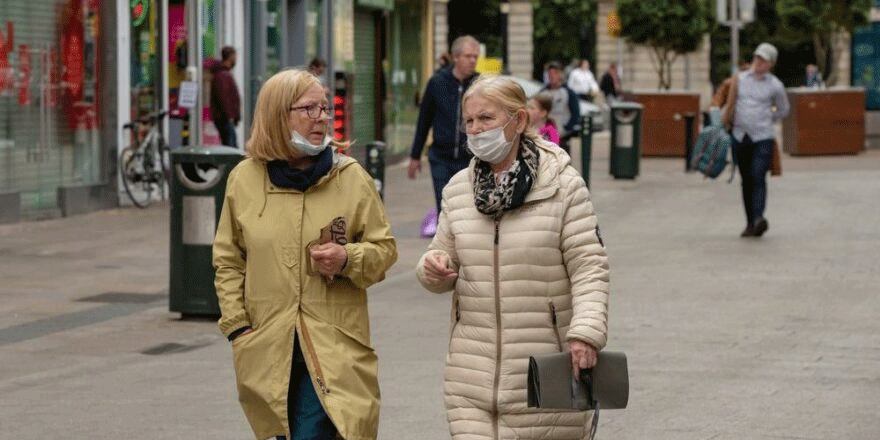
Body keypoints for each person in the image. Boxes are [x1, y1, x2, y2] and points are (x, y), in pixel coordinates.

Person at [415, 76, 610, 440]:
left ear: (519, 121)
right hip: (471, 380)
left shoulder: (563, 186)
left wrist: (585, 333)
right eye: (469, 121)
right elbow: (439, 256)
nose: (475, 130)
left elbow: (589, 267)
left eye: (486, 119)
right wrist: (434, 269)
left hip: (544, 377)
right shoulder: (458, 189)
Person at [213, 68, 398, 440]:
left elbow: (384, 250)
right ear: (278, 115)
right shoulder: (244, 179)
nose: (322, 119)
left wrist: (348, 259)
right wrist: (237, 326)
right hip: (266, 342)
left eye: (324, 109)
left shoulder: (351, 177)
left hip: (334, 343)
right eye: (309, 109)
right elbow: (229, 258)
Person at [719, 42, 790, 238]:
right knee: (746, 180)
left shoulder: (775, 85)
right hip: (740, 136)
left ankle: (759, 217)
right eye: (757, 58)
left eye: (764, 60)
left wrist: (769, 119)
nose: (759, 62)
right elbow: (724, 99)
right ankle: (750, 223)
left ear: (771, 64)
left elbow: (784, 109)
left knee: (758, 176)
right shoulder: (739, 80)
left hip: (762, 138)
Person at [409, 35, 480, 223]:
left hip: (471, 157)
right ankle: (445, 248)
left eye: (475, 57)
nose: (473, 60)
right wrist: (415, 156)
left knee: (468, 207)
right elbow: (424, 120)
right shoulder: (437, 83)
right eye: (468, 56)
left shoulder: (480, 86)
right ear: (456, 57)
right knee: (445, 205)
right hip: (441, 157)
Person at [540, 61, 580, 153]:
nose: (552, 76)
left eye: (555, 73)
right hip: (545, 136)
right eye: (550, 73)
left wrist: (566, 128)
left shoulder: (569, 93)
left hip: (562, 136)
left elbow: (575, 113)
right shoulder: (543, 93)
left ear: (560, 75)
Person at [210, 46, 241, 148]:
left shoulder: (224, 74)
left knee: (231, 146)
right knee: (231, 148)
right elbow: (223, 98)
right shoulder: (222, 75)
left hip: (226, 118)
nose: (236, 59)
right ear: (231, 57)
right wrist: (229, 116)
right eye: (235, 56)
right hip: (224, 119)